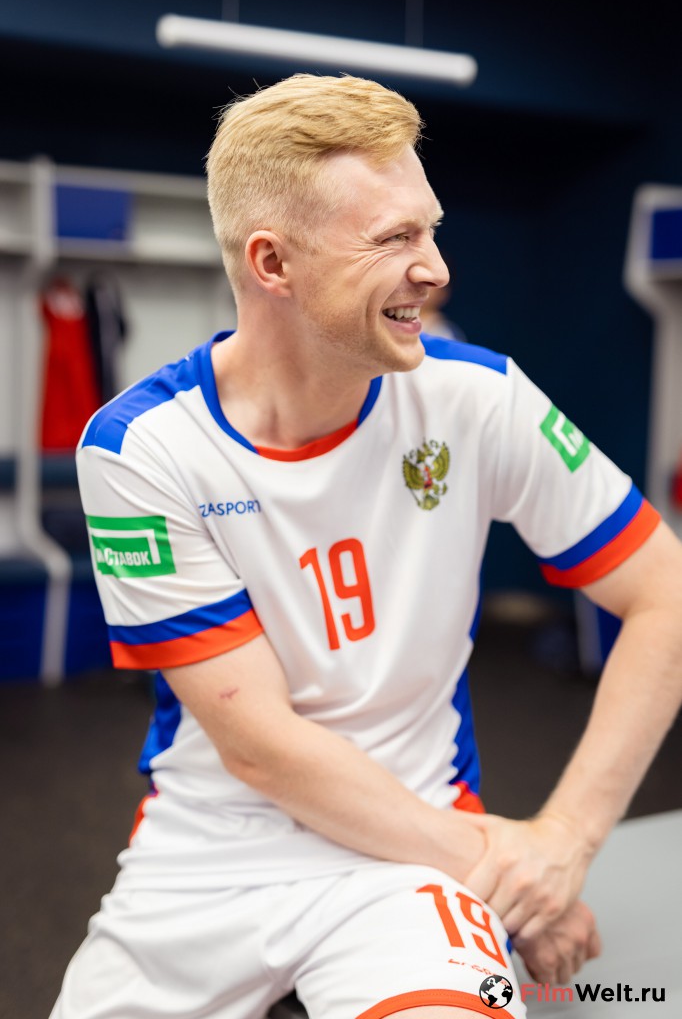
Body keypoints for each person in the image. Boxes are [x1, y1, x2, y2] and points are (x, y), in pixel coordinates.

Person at [51, 74, 682, 1019]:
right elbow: (263, 750)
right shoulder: (143, 447)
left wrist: (563, 845)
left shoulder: (478, 398)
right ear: (273, 262)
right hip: (207, 858)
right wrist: (509, 871)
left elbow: (665, 591)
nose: (436, 268)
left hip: (409, 858)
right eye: (394, 239)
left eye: (431, 231)